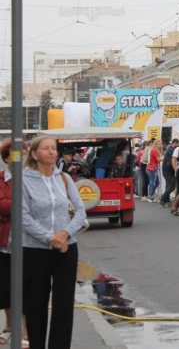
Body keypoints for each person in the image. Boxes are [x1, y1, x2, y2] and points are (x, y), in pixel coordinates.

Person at [22, 136, 87, 349]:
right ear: (34, 154)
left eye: (54, 149)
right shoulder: (23, 180)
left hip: (67, 247)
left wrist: (65, 233)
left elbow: (80, 211)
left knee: (64, 303)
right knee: (36, 302)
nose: (52, 152)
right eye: (46, 149)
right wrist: (51, 238)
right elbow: (23, 217)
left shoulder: (64, 178)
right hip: (35, 249)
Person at [0, 140, 28, 348]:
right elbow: (3, 205)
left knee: (27, 287)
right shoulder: (1, 180)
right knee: (6, 286)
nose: (22, 158)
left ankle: (24, 331)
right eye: (17, 154)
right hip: (5, 240)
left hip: (29, 242)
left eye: (25, 153)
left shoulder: (33, 179)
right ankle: (9, 326)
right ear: (7, 158)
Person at [160, 139, 179, 207]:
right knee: (171, 185)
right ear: (175, 143)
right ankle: (163, 198)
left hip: (166, 170)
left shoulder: (169, 149)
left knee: (168, 185)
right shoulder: (172, 151)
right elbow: (171, 161)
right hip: (168, 170)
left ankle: (166, 200)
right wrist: (174, 169)